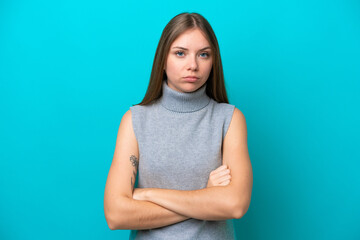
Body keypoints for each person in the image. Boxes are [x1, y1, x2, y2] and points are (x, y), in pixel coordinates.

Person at [104, 12, 253, 240]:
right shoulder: (134, 120)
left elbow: (235, 205)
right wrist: (207, 197)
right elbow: (116, 215)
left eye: (203, 55)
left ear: (213, 61)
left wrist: (147, 194)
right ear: (163, 59)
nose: (192, 65)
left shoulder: (229, 119)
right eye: (180, 53)